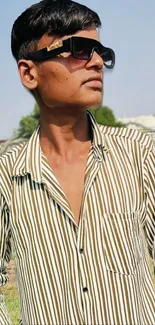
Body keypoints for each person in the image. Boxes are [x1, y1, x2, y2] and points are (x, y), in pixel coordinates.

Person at [0, 0, 155, 324]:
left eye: (102, 53)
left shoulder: (141, 155)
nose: (98, 62)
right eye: (78, 48)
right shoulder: (7, 174)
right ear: (29, 72)